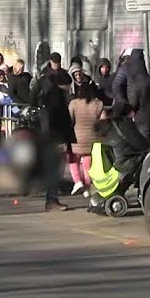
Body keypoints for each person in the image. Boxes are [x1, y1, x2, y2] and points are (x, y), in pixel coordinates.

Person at [37, 69, 75, 211]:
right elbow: (56, 121)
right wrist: (60, 141)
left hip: (52, 138)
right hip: (56, 139)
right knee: (56, 170)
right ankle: (52, 200)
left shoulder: (52, 95)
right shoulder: (56, 98)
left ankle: (52, 198)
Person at [68, 70, 104, 199]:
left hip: (76, 138)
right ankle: (87, 187)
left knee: (73, 160)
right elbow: (102, 120)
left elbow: (70, 120)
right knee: (88, 164)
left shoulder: (74, 104)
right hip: (92, 138)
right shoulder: (98, 104)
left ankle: (77, 181)